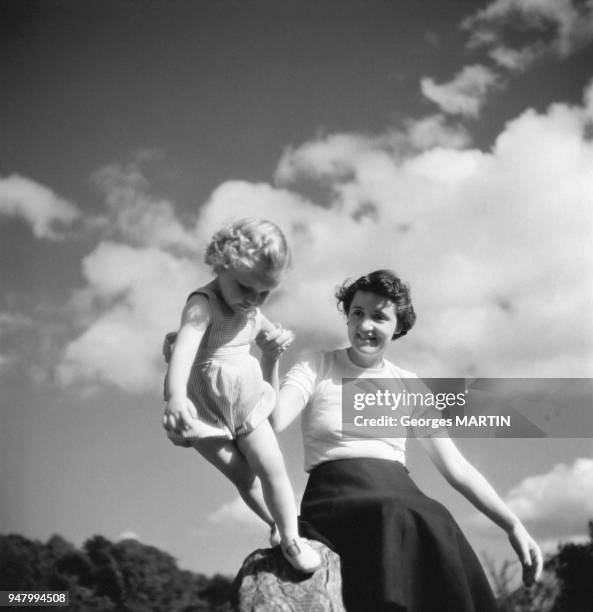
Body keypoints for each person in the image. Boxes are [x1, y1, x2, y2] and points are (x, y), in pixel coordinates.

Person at [264, 269, 542, 610]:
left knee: (434, 516)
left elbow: (456, 468)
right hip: (336, 496)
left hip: (399, 493)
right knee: (397, 512)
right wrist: (270, 360)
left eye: (379, 317)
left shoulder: (409, 385)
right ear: (347, 318)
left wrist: (513, 525)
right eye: (357, 313)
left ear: (398, 327)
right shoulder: (318, 364)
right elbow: (275, 419)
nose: (365, 325)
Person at [161, 218, 321, 573]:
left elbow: (263, 330)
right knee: (244, 478)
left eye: (265, 293)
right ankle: (275, 525)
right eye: (247, 288)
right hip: (201, 410)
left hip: (244, 402)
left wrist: (275, 341)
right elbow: (185, 350)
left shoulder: (251, 308)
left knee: (273, 469)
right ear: (222, 263)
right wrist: (175, 398)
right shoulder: (202, 304)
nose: (253, 300)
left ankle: (292, 538)